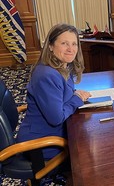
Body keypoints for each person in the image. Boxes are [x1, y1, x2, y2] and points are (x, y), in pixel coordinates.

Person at [17, 23, 91, 160]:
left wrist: (75, 95)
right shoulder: (47, 75)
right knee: (91, 153)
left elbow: (63, 97)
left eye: (74, 44)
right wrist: (77, 99)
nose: (71, 49)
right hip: (40, 144)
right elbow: (56, 118)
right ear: (50, 46)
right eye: (64, 43)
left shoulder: (62, 67)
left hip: (50, 134)